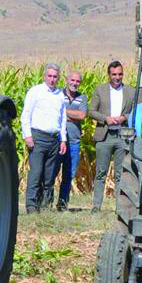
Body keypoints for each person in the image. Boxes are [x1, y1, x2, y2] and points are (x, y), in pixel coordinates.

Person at [89, 60, 136, 212]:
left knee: (120, 173)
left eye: (120, 74)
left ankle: (119, 208)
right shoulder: (99, 90)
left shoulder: (130, 91)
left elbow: (137, 110)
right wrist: (105, 118)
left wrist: (125, 117)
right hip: (105, 135)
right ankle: (96, 206)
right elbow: (91, 111)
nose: (117, 77)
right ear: (109, 75)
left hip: (122, 136)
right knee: (101, 172)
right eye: (114, 74)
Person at [20, 63, 67, 214]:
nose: (52, 79)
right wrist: (27, 135)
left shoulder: (60, 94)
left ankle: (46, 205)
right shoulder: (35, 91)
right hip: (38, 137)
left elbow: (63, 118)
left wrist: (63, 139)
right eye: (50, 76)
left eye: (55, 77)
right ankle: (32, 206)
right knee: (36, 173)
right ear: (44, 76)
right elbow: (26, 113)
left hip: (54, 139)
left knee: (49, 175)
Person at [54, 70, 87, 211]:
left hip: (74, 141)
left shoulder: (82, 97)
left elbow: (82, 115)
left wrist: (63, 112)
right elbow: (54, 112)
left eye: (78, 81)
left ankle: (62, 204)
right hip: (57, 141)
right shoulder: (57, 95)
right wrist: (69, 114)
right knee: (52, 172)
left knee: (69, 174)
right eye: (72, 80)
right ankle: (46, 202)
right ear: (67, 80)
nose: (75, 83)